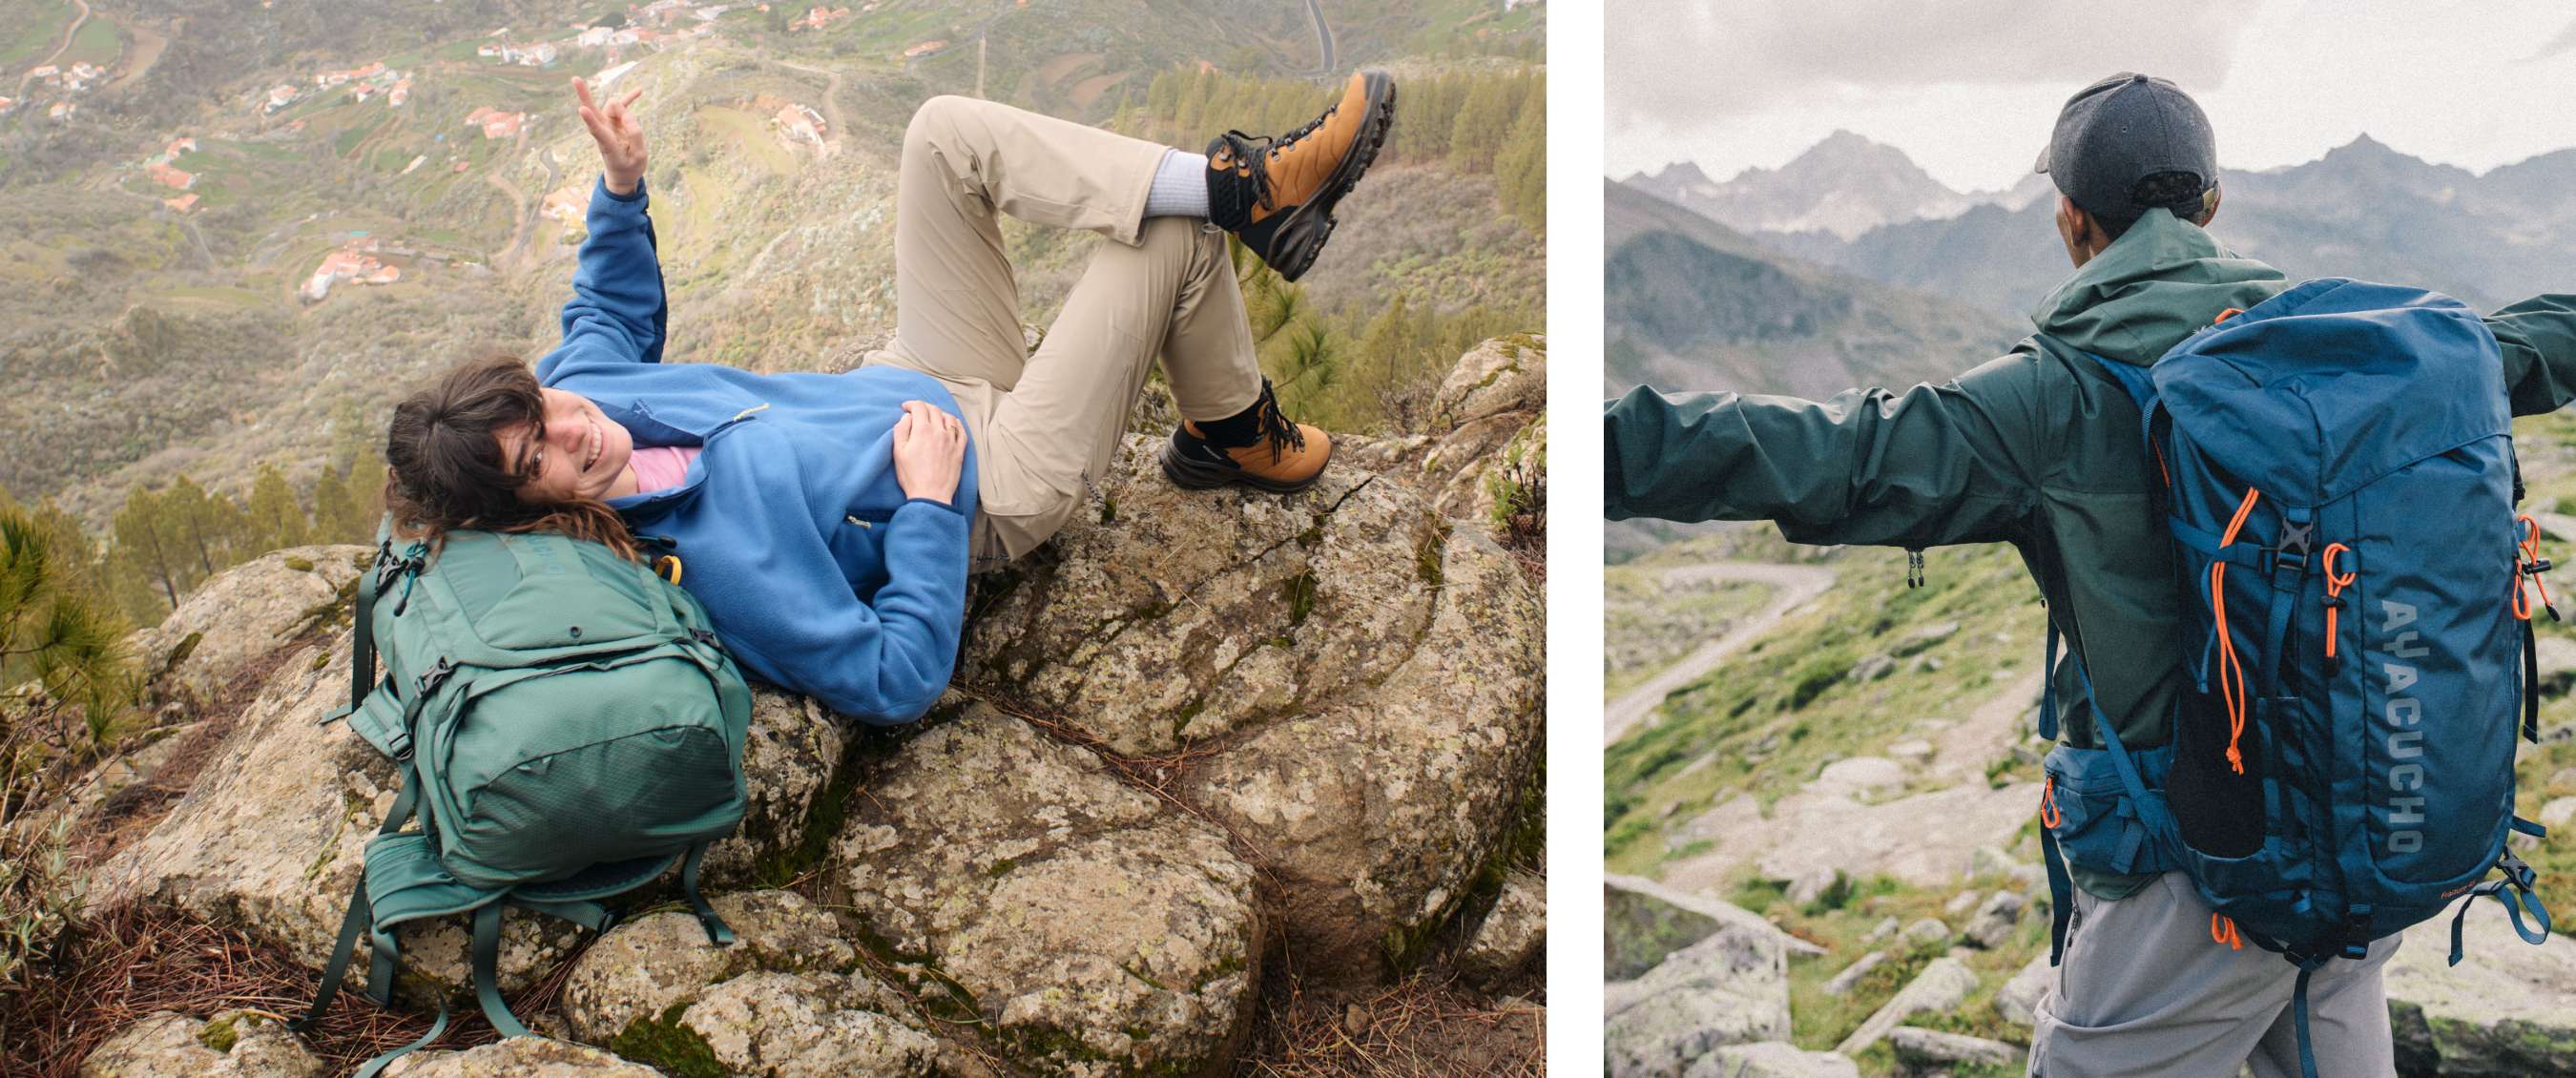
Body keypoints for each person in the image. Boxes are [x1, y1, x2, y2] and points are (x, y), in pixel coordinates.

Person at [1604, 72, 2576, 1077]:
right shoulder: (2346, 359)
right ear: (2212, 205)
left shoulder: (2050, 398)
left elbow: (1838, 455)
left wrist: (1599, 450)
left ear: (2072, 220)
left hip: (2195, 876)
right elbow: (2519, 347)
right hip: (2355, 822)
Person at [383, 72, 1395, 724]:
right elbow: (890, 678)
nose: (574, 429)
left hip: (918, 368)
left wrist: (620, 186)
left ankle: (1239, 184)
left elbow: (604, 306)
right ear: (529, 511)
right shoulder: (700, 562)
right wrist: (921, 509)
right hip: (986, 483)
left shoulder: (578, 394)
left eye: (547, 410)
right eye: (539, 460)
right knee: (1170, 239)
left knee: (942, 130)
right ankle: (1234, 426)